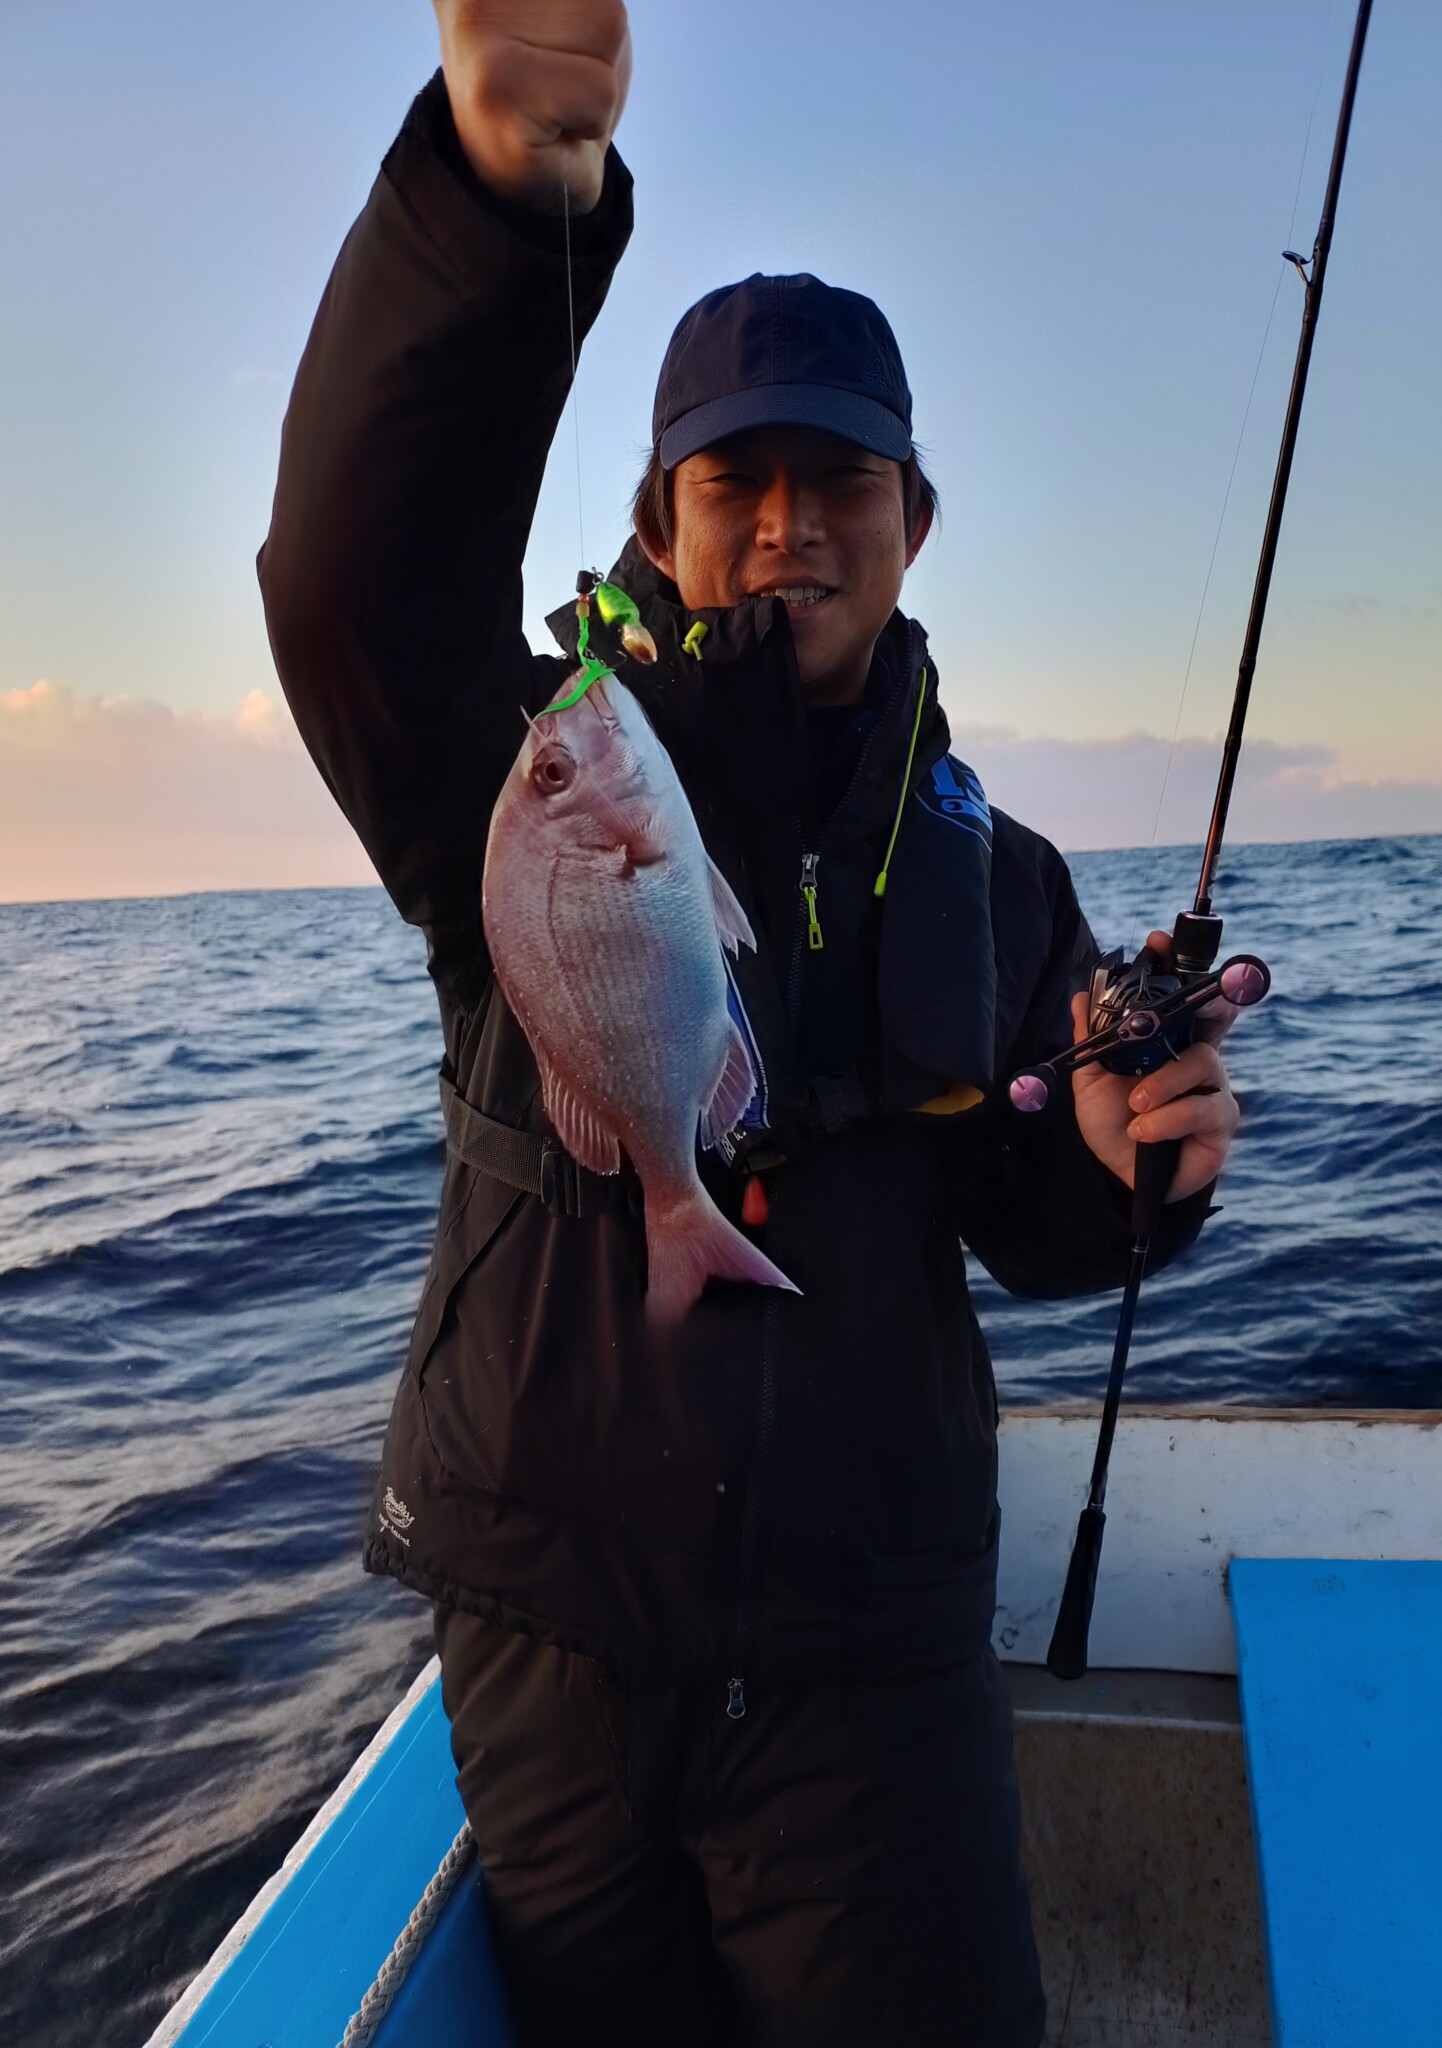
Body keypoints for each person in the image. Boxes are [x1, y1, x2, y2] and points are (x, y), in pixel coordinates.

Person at [258, 4, 1241, 2042]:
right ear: (662, 521)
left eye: (840, 480)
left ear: (914, 520)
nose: (790, 522)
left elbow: (1035, 1225)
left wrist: (1125, 1179)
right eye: (738, 480)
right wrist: (493, 196)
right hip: (552, 1634)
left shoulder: (1001, 874)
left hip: (870, 1656)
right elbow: (353, 579)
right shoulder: (535, 773)